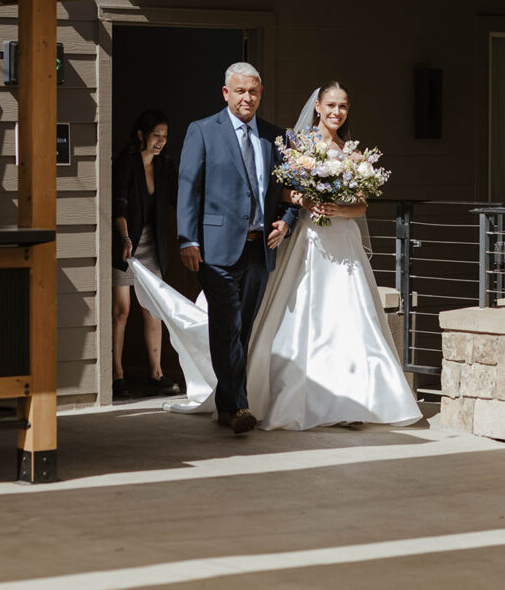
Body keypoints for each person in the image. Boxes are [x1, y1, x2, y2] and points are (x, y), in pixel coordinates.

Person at [130, 81, 421, 432]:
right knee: (306, 317)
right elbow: (280, 190)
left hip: (343, 243)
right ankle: (289, 396)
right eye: (331, 105)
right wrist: (304, 202)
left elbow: (360, 204)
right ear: (317, 107)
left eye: (343, 107)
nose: (336, 112)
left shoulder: (351, 152)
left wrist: (338, 209)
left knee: (351, 317)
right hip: (308, 239)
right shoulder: (298, 145)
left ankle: (352, 398)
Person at [177, 62, 297, 434]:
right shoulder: (202, 131)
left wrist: (286, 222)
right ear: (226, 93)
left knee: (243, 329)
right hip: (216, 249)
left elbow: (293, 191)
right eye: (240, 91)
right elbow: (189, 187)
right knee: (227, 325)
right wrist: (188, 238)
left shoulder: (275, 138)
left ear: (261, 93)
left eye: (254, 92)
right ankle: (239, 406)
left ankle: (227, 405)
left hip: (259, 248)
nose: (248, 98)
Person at [111, 109, 180, 400]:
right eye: (156, 135)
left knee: (154, 309)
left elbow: (179, 200)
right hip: (124, 242)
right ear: (141, 134)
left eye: (164, 137)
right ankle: (116, 375)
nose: (161, 142)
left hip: (152, 244)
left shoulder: (165, 165)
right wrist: (125, 238)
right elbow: (119, 205)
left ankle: (156, 374)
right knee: (122, 310)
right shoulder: (126, 162)